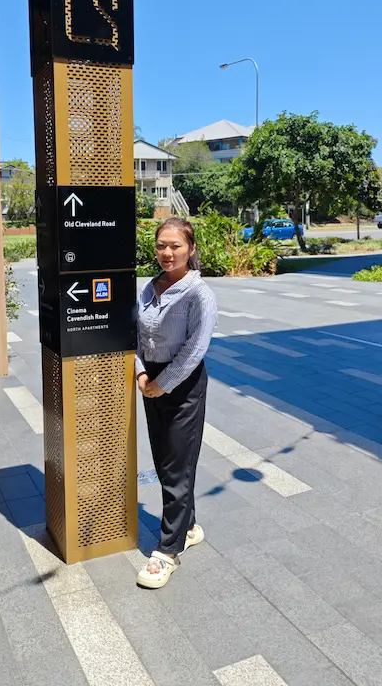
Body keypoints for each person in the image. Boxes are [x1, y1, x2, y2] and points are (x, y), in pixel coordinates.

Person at [135, 217, 217, 588]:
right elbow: (133, 335)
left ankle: (168, 551)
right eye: (161, 246)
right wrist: (140, 373)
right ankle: (190, 525)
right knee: (166, 461)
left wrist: (163, 384)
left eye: (176, 246)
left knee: (178, 464)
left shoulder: (198, 294)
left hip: (182, 385)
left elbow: (195, 349)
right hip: (149, 381)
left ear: (191, 249)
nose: (167, 253)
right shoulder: (149, 288)